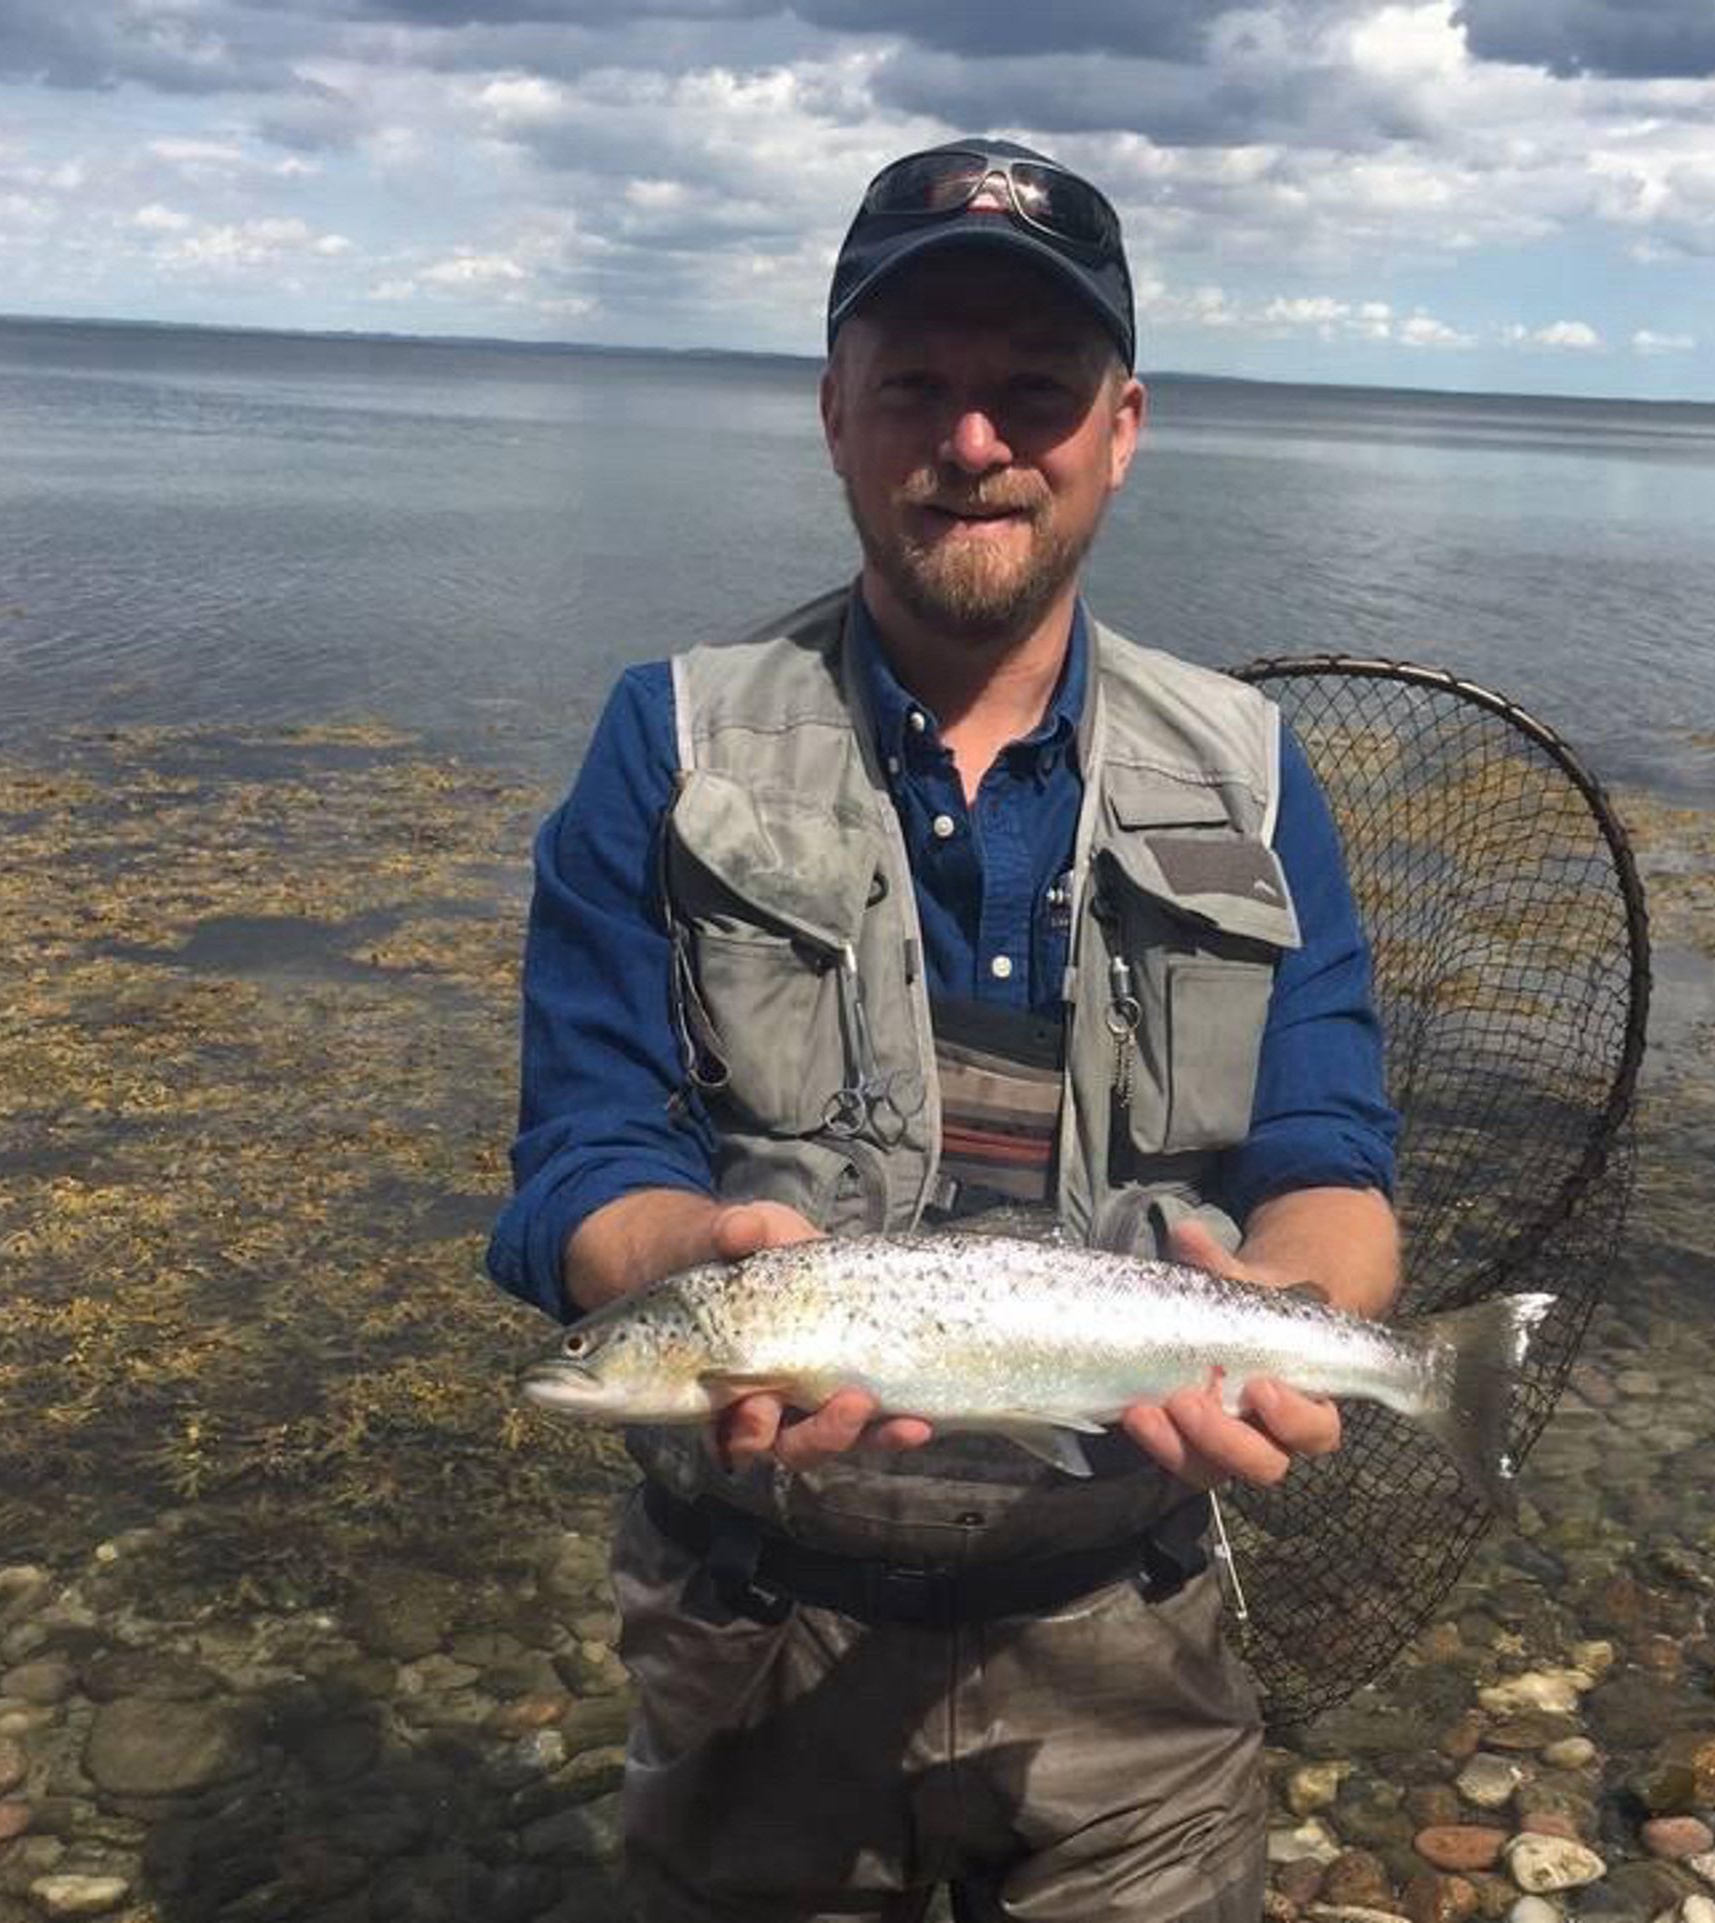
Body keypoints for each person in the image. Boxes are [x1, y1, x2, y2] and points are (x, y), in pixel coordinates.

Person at [490, 137, 1401, 1923]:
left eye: (1032, 392)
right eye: (915, 384)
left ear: (1122, 425)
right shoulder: (661, 743)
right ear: (834, 411)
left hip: (1132, 1650)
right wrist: (694, 1250)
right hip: (752, 1631)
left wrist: (1301, 1336)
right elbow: (579, 1157)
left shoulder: (1256, 775)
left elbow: (1330, 1162)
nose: (972, 442)